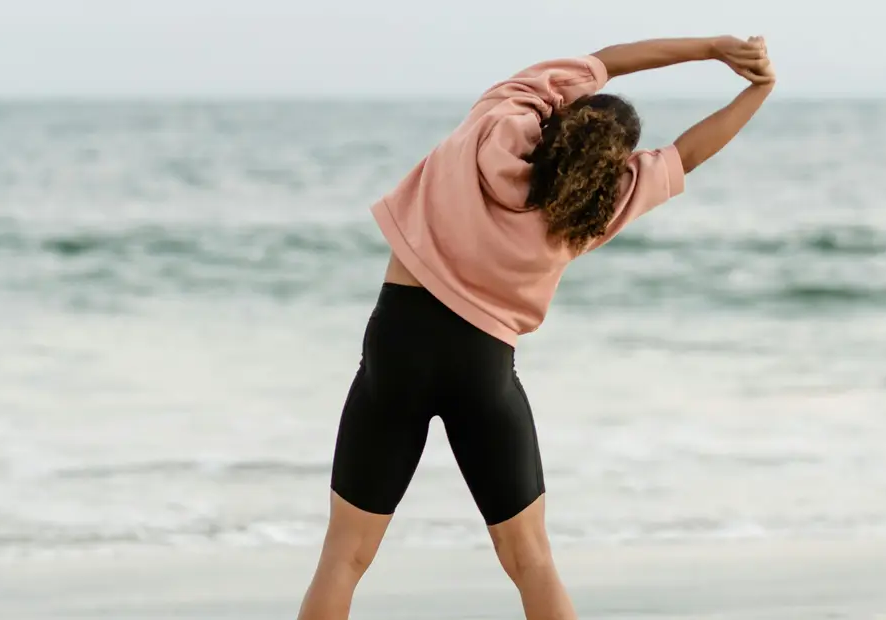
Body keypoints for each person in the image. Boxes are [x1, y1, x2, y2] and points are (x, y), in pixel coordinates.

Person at [295, 35, 777, 620]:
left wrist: (710, 49)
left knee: (344, 556)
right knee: (531, 561)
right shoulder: (594, 210)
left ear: (561, 114)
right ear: (614, 165)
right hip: (484, 365)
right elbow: (689, 153)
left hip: (399, 340)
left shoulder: (498, 118)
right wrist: (760, 89)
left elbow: (604, 61)